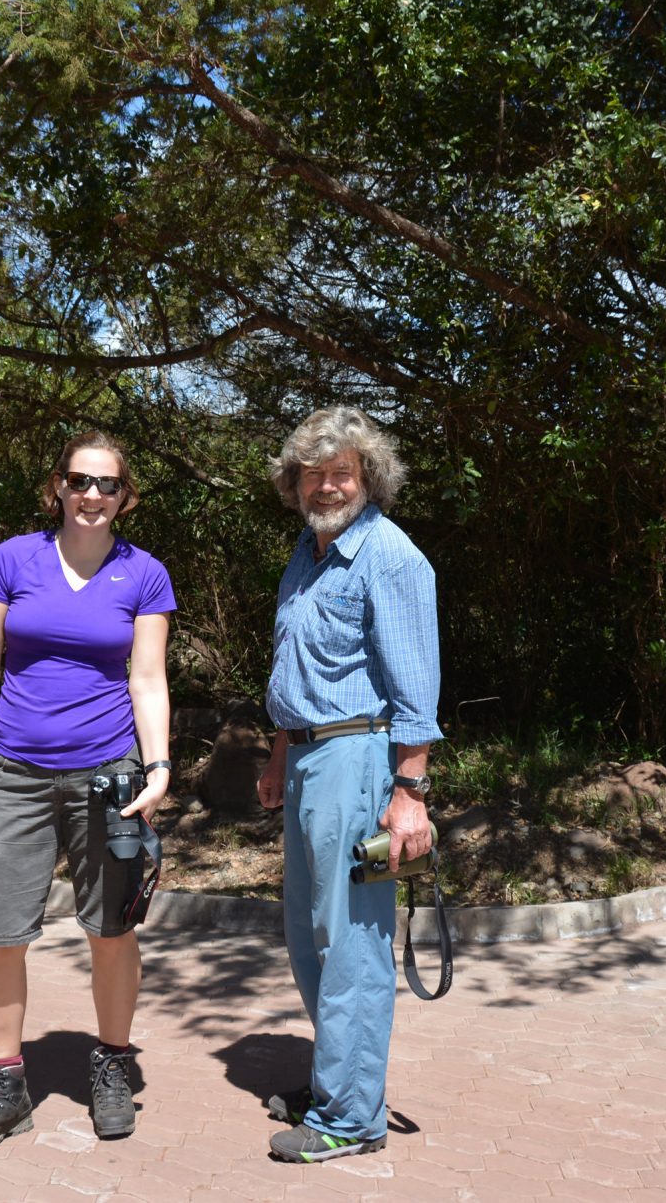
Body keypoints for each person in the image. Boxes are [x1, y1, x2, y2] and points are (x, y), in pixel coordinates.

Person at [0, 431, 175, 1157]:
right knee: (1, 933)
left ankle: (110, 1062)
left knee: (112, 929)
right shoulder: (15, 559)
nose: (92, 495)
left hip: (108, 778)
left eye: (107, 484)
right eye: (80, 481)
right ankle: (6, 1083)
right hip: (15, 773)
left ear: (125, 495)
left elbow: (147, 678)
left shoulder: (144, 574)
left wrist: (159, 765)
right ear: (58, 486)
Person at [255, 405, 440, 1163]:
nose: (328, 485)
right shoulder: (307, 550)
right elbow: (294, 668)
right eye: (314, 473)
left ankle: (351, 1117)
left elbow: (415, 690)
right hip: (304, 760)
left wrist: (409, 794)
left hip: (359, 765)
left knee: (354, 943)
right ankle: (339, 1081)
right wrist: (276, 756)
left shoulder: (390, 557)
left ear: (368, 478)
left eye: (343, 472)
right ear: (295, 482)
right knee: (309, 936)